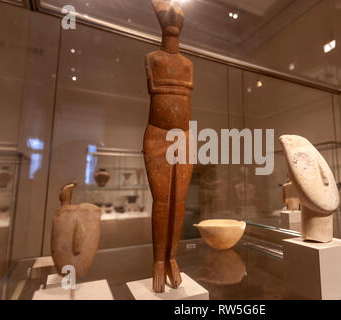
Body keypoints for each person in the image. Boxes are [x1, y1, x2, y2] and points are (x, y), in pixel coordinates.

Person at [143, 0, 194, 293]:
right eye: (166, 13)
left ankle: (172, 258)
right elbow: (156, 89)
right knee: (162, 202)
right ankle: (157, 263)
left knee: (179, 202)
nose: (173, 18)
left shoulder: (189, 64)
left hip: (185, 136)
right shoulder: (152, 58)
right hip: (157, 134)